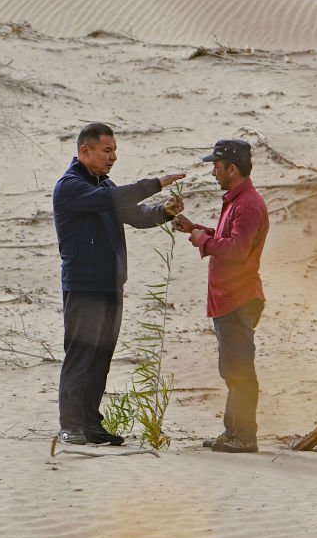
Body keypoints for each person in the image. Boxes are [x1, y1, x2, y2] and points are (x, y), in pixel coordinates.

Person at [53, 123, 185, 448]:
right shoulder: (70, 187)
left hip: (111, 287)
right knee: (81, 355)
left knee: (101, 357)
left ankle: (90, 424)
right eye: (106, 150)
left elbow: (136, 215)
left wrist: (165, 212)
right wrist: (154, 183)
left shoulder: (104, 185)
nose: (113, 157)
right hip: (84, 286)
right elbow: (112, 198)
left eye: (114, 150)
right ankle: (71, 425)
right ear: (85, 151)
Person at [172, 139, 269, 454]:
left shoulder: (248, 204)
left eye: (217, 166)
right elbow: (229, 239)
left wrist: (201, 240)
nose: (213, 172)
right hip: (229, 297)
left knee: (239, 368)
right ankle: (233, 432)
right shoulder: (237, 201)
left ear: (232, 169)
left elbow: (237, 250)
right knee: (232, 367)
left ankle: (245, 436)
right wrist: (196, 229)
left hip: (238, 297)